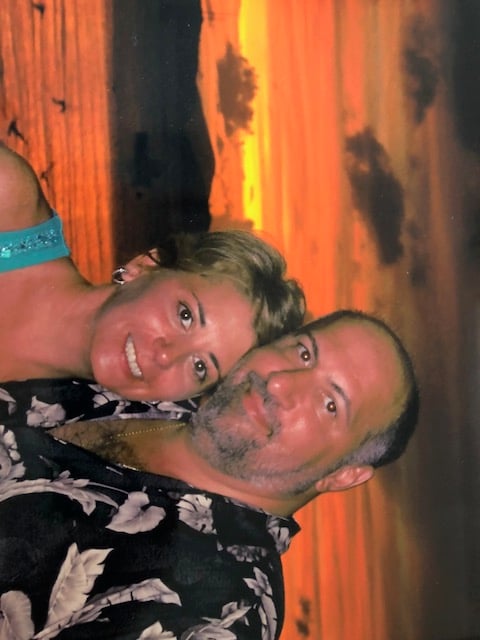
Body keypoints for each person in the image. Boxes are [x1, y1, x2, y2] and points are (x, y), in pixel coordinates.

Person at [0, 310, 419, 639]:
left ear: (343, 475)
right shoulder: (163, 383)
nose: (280, 384)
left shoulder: (219, 609)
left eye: (329, 405)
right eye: (304, 353)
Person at [0, 145, 305, 411]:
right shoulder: (9, 202)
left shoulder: (34, 434)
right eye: (185, 315)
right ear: (145, 266)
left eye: (200, 367)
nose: (166, 356)